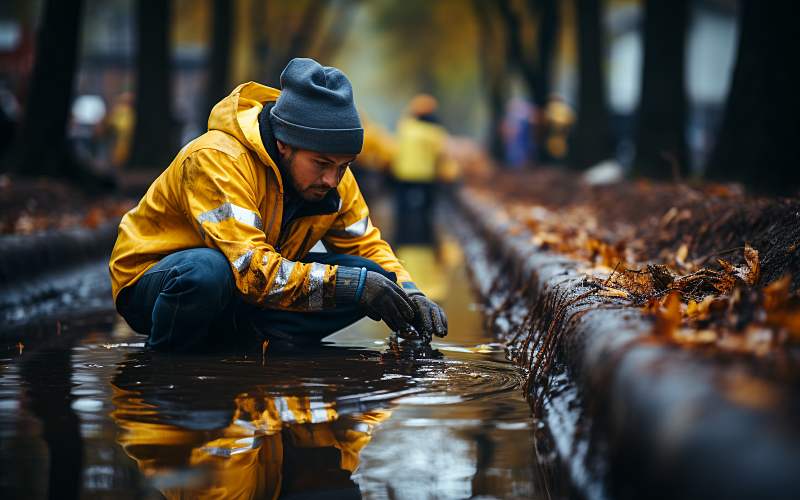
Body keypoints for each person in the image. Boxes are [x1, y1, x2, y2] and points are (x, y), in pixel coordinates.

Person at [109, 58, 447, 352]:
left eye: (343, 166)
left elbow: (367, 246)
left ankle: (249, 341)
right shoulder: (217, 159)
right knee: (206, 272)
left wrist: (411, 292)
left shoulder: (335, 178)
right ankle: (167, 359)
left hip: (244, 291)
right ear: (284, 143)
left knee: (375, 278)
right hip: (158, 281)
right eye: (321, 164)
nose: (332, 179)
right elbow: (250, 268)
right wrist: (350, 287)